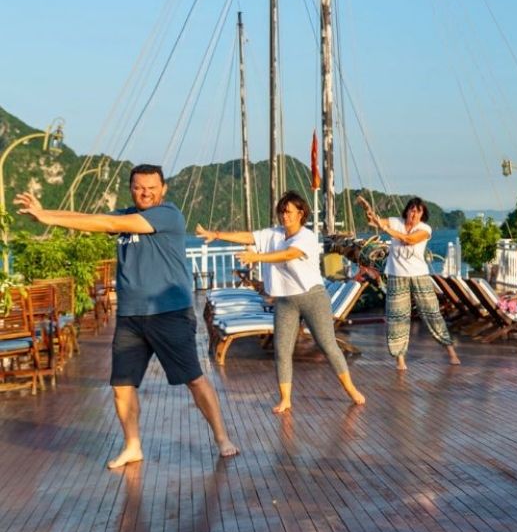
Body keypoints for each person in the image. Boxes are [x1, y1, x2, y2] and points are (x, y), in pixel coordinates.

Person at [15, 165, 239, 469]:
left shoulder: (167, 214)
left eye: (151, 187)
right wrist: (46, 213)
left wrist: (47, 218)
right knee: (122, 385)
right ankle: (132, 445)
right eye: (138, 187)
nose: (145, 192)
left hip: (169, 313)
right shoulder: (125, 216)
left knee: (194, 379)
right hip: (131, 317)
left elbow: (106, 221)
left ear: (163, 189)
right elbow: (89, 220)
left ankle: (222, 437)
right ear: (130, 188)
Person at [196, 191, 366, 413]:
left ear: (300, 213)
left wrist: (256, 258)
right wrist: (216, 234)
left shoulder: (306, 237)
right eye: (281, 212)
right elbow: (248, 237)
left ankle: (351, 389)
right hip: (285, 300)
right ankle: (285, 399)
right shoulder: (274, 234)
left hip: (312, 297)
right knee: (282, 349)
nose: (283, 216)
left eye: (288, 212)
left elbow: (288, 255)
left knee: (327, 344)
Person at [359, 196, 459, 370]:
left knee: (432, 313)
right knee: (397, 318)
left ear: (422, 215)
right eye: (412, 209)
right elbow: (374, 222)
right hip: (396, 276)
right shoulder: (395, 221)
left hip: (419, 276)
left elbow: (409, 240)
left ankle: (451, 352)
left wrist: (387, 229)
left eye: (418, 211)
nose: (414, 213)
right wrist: (369, 212)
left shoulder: (425, 228)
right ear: (407, 210)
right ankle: (400, 360)